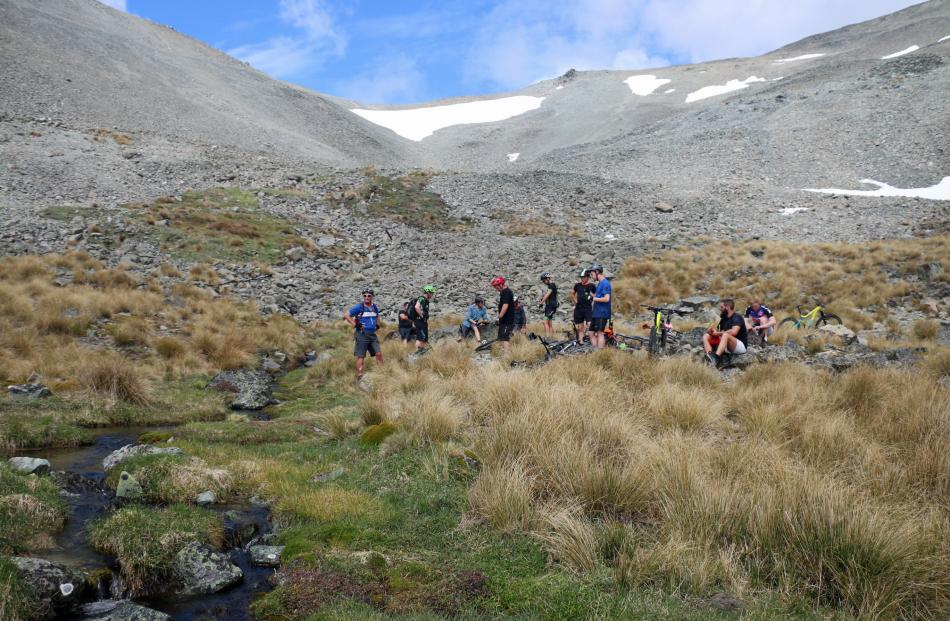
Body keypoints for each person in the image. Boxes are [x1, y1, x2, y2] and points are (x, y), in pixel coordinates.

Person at [344, 289, 383, 381]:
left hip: (372, 335)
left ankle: (382, 372)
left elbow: (377, 316)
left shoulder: (374, 307)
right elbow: (346, 315)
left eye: (369, 296)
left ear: (372, 297)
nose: (367, 297)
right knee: (361, 356)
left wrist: (378, 325)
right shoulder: (359, 307)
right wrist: (355, 324)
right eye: (365, 296)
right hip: (362, 334)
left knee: (378, 353)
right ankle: (360, 376)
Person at [703, 298, 748, 367]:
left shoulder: (737, 317)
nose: (720, 309)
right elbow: (718, 332)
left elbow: (734, 332)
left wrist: (718, 333)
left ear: (727, 307)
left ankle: (716, 358)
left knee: (725, 335)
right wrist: (712, 332)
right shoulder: (724, 319)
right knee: (706, 336)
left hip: (740, 346)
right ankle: (710, 356)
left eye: (722, 307)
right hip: (726, 344)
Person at [589, 264, 612, 349]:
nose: (591, 277)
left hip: (602, 312)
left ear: (597, 272)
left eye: (592, 274)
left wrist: (593, 298)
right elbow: (597, 297)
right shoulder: (600, 284)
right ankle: (596, 350)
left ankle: (600, 353)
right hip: (596, 312)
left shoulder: (605, 283)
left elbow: (606, 299)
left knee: (600, 333)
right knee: (591, 333)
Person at [570, 268, 596, 344]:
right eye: (581, 277)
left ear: (587, 277)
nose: (582, 279)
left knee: (590, 325)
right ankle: (581, 342)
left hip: (588, 308)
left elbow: (595, 295)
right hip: (579, 308)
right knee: (580, 326)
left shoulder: (592, 285)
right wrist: (575, 302)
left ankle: (593, 341)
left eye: (583, 277)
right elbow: (572, 293)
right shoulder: (577, 285)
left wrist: (593, 303)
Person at [491, 276, 514, 350]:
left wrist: (499, 317)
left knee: (505, 338)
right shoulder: (503, 292)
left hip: (507, 319)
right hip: (503, 320)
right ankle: (502, 353)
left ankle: (508, 356)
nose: (496, 289)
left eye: (496, 287)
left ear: (500, 284)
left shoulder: (506, 292)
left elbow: (505, 305)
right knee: (500, 337)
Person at [413, 285, 436, 351]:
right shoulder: (422, 299)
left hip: (423, 321)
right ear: (428, 292)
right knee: (421, 337)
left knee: (423, 337)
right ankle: (417, 352)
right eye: (431, 293)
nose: (432, 294)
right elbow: (416, 307)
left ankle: (421, 351)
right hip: (420, 321)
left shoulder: (425, 300)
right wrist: (422, 316)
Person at [538, 273, 558, 338]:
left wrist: (541, 302)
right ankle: (551, 337)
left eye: (544, 280)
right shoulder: (550, 285)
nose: (544, 282)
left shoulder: (552, 285)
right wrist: (542, 300)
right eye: (543, 281)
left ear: (548, 278)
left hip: (551, 306)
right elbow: (548, 295)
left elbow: (548, 294)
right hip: (549, 306)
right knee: (549, 323)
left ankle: (547, 337)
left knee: (545, 322)